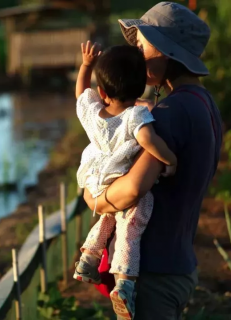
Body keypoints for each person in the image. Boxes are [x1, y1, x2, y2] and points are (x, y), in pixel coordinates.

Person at [83, 2, 222, 320]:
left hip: (152, 273)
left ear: (165, 52)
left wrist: (95, 199)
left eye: (142, 46)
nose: (137, 55)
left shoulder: (170, 114)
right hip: (179, 262)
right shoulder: (205, 104)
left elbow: (132, 190)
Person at [73, 41, 177, 319]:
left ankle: (88, 258)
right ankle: (125, 283)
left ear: (102, 92)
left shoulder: (92, 112)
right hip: (120, 177)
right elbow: (147, 139)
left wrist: (86, 65)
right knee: (132, 224)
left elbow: (80, 92)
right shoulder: (135, 116)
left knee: (107, 219)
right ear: (142, 84)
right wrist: (170, 159)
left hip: (95, 180)